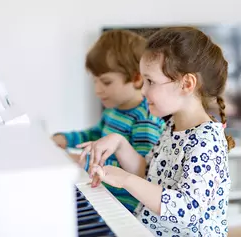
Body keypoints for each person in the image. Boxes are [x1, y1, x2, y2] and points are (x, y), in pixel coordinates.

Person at [77, 26, 236, 237]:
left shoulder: (206, 141)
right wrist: (119, 143)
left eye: (150, 81)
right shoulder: (172, 126)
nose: (142, 90)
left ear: (186, 84)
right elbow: (148, 172)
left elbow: (188, 211)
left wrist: (125, 180)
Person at [52, 29, 165, 213]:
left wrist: (76, 159)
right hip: (102, 194)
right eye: (94, 81)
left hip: (124, 208)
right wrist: (63, 139)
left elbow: (142, 173)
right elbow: (95, 135)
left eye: (106, 82)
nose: (97, 90)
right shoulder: (113, 110)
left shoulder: (145, 119)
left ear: (136, 78)